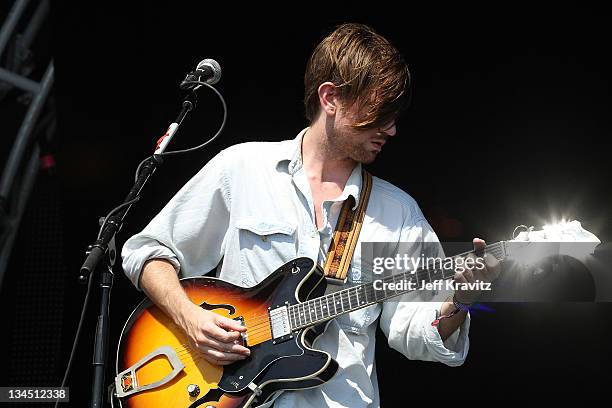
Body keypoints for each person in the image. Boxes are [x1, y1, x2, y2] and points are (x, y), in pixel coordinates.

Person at [122, 23, 499, 408]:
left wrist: (460, 301)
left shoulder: (397, 212)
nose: (392, 129)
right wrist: (190, 318)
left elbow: (418, 336)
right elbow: (147, 252)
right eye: (379, 112)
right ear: (330, 97)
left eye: (394, 115)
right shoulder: (242, 168)